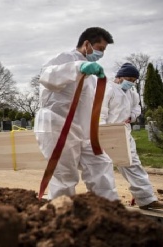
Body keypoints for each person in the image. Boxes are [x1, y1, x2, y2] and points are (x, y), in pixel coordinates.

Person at [34, 27, 119, 201]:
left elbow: (88, 103)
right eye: (100, 49)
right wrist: (79, 67)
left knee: (100, 163)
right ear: (87, 44)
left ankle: (108, 208)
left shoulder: (92, 74)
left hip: (83, 129)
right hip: (57, 124)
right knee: (65, 174)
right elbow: (47, 77)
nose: (101, 54)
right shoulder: (65, 58)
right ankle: (61, 215)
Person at [100, 63, 163, 209]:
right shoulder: (108, 89)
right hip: (107, 132)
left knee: (133, 165)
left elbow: (137, 107)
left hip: (124, 133)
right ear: (119, 77)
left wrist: (132, 116)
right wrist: (102, 131)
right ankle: (103, 202)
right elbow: (101, 111)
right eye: (128, 78)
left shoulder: (133, 93)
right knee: (101, 168)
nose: (131, 82)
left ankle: (146, 199)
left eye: (134, 80)